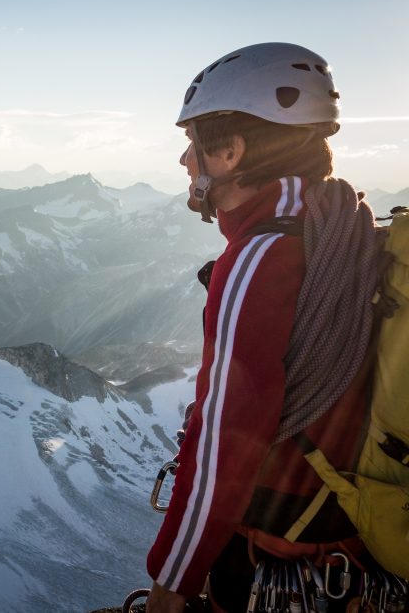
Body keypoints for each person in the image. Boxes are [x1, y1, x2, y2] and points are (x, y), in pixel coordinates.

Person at [144, 43, 381, 613]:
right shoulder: (344, 226)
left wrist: (172, 584)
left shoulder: (259, 258)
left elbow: (223, 440)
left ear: (231, 150)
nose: (185, 162)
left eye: (193, 144)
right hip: (356, 541)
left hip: (285, 559)